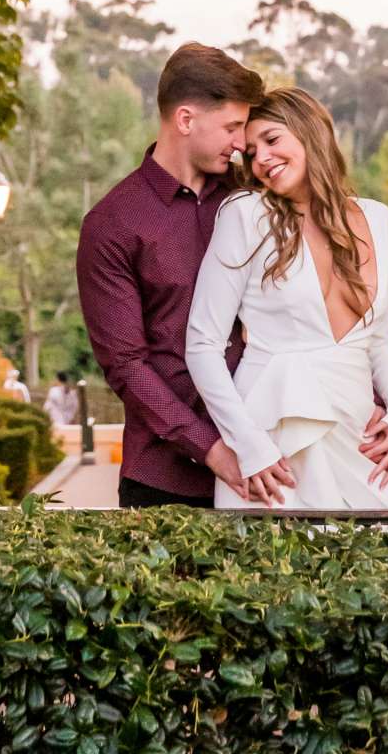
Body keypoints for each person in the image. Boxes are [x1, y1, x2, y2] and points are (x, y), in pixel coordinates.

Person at [184, 86, 388, 510]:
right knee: (272, 572)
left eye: (272, 140)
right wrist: (249, 445)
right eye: (251, 153)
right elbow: (202, 346)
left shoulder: (384, 223)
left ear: (311, 133)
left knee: (376, 568)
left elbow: (378, 341)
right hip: (273, 442)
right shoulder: (246, 216)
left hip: (357, 440)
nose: (261, 161)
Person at [77, 41, 266, 508]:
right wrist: (211, 449)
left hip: (271, 464)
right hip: (164, 483)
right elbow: (126, 366)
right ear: (185, 120)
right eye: (232, 127)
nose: (241, 143)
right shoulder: (113, 224)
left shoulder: (256, 201)